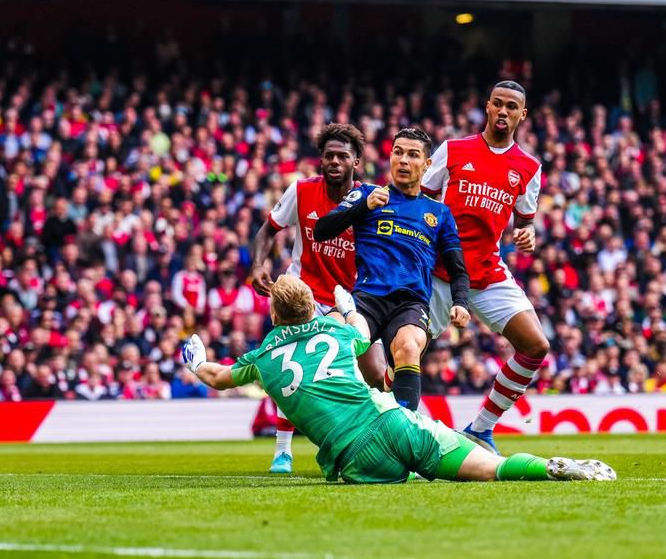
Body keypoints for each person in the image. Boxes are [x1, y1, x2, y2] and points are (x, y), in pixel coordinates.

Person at [181, 274, 616, 484]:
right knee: (492, 470)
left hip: (353, 457)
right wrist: (347, 304)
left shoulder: (263, 357)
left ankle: (418, 470)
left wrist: (195, 360)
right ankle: (550, 468)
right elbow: (362, 333)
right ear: (310, 306)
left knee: (409, 481)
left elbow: (218, 377)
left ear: (274, 314)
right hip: (391, 420)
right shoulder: (334, 329)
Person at [250, 123, 385, 474]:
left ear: (357, 161)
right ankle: (282, 452)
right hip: (303, 293)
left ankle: (385, 437)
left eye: (343, 156)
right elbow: (268, 230)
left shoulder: (371, 199)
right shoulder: (302, 190)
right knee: (290, 364)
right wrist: (257, 265)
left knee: (375, 371)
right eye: (329, 155)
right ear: (321, 160)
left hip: (351, 298)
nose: (335, 161)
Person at [421, 80, 548, 453]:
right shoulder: (455, 150)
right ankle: (383, 433)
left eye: (513, 106)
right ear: (488, 107)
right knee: (406, 354)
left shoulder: (528, 167)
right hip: (439, 272)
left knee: (536, 345)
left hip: (487, 272)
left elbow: (525, 221)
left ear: (523, 114)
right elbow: (420, 199)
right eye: (498, 104)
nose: (504, 111)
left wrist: (529, 234)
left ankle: (480, 429)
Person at [314, 127, 471, 411]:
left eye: (413, 155)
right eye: (398, 152)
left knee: (409, 348)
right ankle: (339, 423)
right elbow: (321, 230)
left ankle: (404, 434)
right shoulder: (367, 194)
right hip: (367, 298)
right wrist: (362, 207)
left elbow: (458, 268)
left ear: (427, 164)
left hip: (409, 304)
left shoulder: (439, 213)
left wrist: (460, 302)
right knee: (329, 334)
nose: (403, 160)